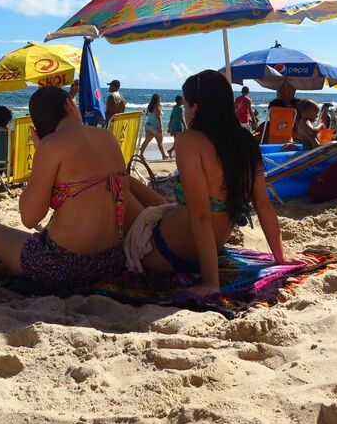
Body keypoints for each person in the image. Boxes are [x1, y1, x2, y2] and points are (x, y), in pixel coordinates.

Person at [123, 70, 317, 297]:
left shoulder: (188, 141)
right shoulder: (245, 143)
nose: (185, 112)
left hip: (169, 251)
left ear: (196, 108)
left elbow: (201, 216)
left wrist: (211, 282)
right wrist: (280, 256)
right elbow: (264, 205)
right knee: (129, 182)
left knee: (117, 184)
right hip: (211, 246)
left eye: (186, 106)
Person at [0, 86, 142, 288]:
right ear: (70, 104)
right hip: (110, 261)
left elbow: (29, 218)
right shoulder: (108, 137)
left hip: (63, 265)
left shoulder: (51, 145)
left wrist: (41, 155)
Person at [139, 93, 168, 160]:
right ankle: (164, 155)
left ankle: (141, 154)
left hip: (148, 125)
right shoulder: (157, 107)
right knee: (160, 143)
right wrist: (160, 127)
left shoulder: (149, 106)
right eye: (160, 98)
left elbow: (147, 114)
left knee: (146, 141)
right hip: (155, 126)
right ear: (158, 99)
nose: (160, 100)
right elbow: (158, 118)